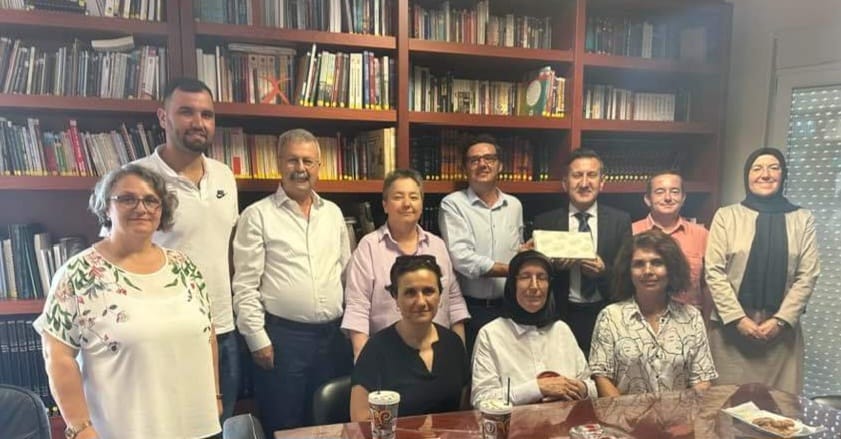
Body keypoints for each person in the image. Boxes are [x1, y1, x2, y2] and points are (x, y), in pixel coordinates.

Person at [35, 165, 220, 439]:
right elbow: (58, 357)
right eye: (127, 199)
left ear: (162, 210)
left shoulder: (185, 266)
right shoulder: (78, 274)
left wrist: (215, 395)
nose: (141, 208)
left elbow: (208, 334)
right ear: (106, 207)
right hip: (123, 431)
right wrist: (80, 427)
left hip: (199, 427)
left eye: (151, 200)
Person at [133, 76, 240, 421]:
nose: (198, 122)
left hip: (222, 328)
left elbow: (228, 247)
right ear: (163, 117)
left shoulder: (224, 176)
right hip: (166, 332)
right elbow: (119, 257)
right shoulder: (136, 179)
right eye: (186, 112)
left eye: (207, 114)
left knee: (221, 424)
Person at [232, 129, 351, 432]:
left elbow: (345, 272)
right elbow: (245, 285)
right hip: (283, 341)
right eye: (292, 160)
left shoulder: (333, 214)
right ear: (278, 163)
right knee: (286, 425)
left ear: (319, 166)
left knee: (332, 424)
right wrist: (257, 339)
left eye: (308, 161)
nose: (301, 168)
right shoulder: (257, 215)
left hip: (333, 339)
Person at [705, 147, 820, 395]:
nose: (765, 174)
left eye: (774, 168)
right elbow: (713, 271)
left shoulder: (803, 219)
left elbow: (808, 275)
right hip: (730, 332)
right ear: (747, 176)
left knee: (779, 408)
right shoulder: (726, 216)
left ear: (783, 175)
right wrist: (738, 320)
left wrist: (780, 321)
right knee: (724, 405)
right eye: (757, 168)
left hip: (781, 335)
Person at [341, 169, 469, 360]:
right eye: (398, 197)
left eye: (414, 197)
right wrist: (365, 363)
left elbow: (454, 303)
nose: (407, 204)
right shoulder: (369, 247)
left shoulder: (437, 245)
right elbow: (357, 309)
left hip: (438, 355)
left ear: (421, 204)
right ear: (385, 205)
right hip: (387, 357)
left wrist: (460, 358)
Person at [589, 230, 718, 396]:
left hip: (680, 412)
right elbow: (602, 378)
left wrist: (685, 412)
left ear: (671, 269)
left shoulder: (692, 317)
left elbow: (701, 380)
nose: (648, 271)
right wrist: (624, 413)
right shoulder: (610, 317)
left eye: (657, 263)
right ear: (628, 271)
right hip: (625, 412)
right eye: (639, 264)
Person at [532, 148, 632, 355]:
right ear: (565, 183)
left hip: (604, 312)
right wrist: (554, 267)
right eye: (577, 175)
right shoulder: (545, 221)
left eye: (592, 175)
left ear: (602, 182)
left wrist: (603, 271)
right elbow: (536, 273)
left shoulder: (620, 221)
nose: (584, 183)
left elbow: (627, 275)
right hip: (559, 315)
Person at [349, 255, 469, 421]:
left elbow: (464, 412)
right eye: (410, 293)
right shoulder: (376, 350)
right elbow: (360, 419)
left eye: (428, 291)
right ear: (395, 297)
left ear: (440, 295)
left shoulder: (453, 344)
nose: (421, 302)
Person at [471, 250, 596, 407]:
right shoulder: (491, 334)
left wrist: (581, 388)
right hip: (515, 422)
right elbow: (481, 399)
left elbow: (592, 389)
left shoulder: (561, 330)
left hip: (565, 420)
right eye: (525, 277)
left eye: (542, 278)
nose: (534, 286)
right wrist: (538, 388)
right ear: (512, 284)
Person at [439, 134, 524, 353]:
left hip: (511, 308)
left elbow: (518, 249)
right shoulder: (453, 204)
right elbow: (462, 258)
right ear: (465, 168)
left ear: (500, 165)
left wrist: (526, 256)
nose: (483, 164)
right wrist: (514, 269)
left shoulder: (514, 205)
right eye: (474, 160)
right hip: (472, 310)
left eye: (489, 159)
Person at [632, 171, 709, 316]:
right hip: (641, 318)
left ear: (683, 198)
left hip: (688, 319)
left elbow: (707, 284)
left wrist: (706, 322)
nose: (668, 198)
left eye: (674, 192)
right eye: (660, 192)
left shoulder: (702, 235)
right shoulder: (631, 232)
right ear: (648, 199)